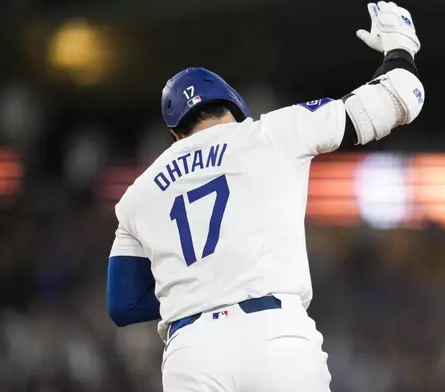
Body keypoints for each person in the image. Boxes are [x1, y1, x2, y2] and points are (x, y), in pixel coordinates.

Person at [106, 2, 424, 391]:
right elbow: (403, 97)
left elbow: (122, 303)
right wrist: (400, 50)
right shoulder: (269, 133)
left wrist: (199, 286)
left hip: (189, 351)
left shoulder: (137, 194)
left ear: (176, 135)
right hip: (273, 335)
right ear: (237, 108)